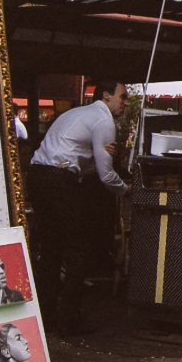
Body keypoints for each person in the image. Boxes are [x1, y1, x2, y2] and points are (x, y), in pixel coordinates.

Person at [28, 77, 130, 333]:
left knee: (51, 248)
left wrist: (99, 159)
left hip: (39, 174)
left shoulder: (78, 113)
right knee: (78, 249)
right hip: (60, 181)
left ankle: (46, 315)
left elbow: (79, 163)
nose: (125, 103)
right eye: (123, 97)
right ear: (106, 95)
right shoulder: (104, 120)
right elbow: (105, 175)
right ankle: (69, 318)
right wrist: (127, 190)